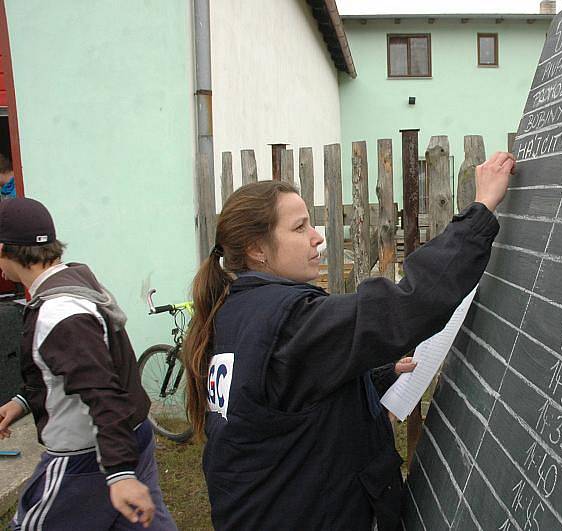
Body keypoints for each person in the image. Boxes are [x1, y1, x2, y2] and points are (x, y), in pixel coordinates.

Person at [183, 151, 515, 530]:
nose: (316, 238)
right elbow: (408, 305)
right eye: (299, 228)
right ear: (257, 250)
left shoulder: (234, 311)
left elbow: (280, 401)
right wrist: (482, 209)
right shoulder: (287, 322)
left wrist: (372, 378)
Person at [0, 198, 176, 530]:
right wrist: (23, 402)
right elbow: (79, 368)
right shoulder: (76, 282)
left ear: (3, 249)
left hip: (87, 455)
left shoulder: (60, 313)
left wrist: (119, 472)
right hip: (131, 434)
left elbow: (102, 392)